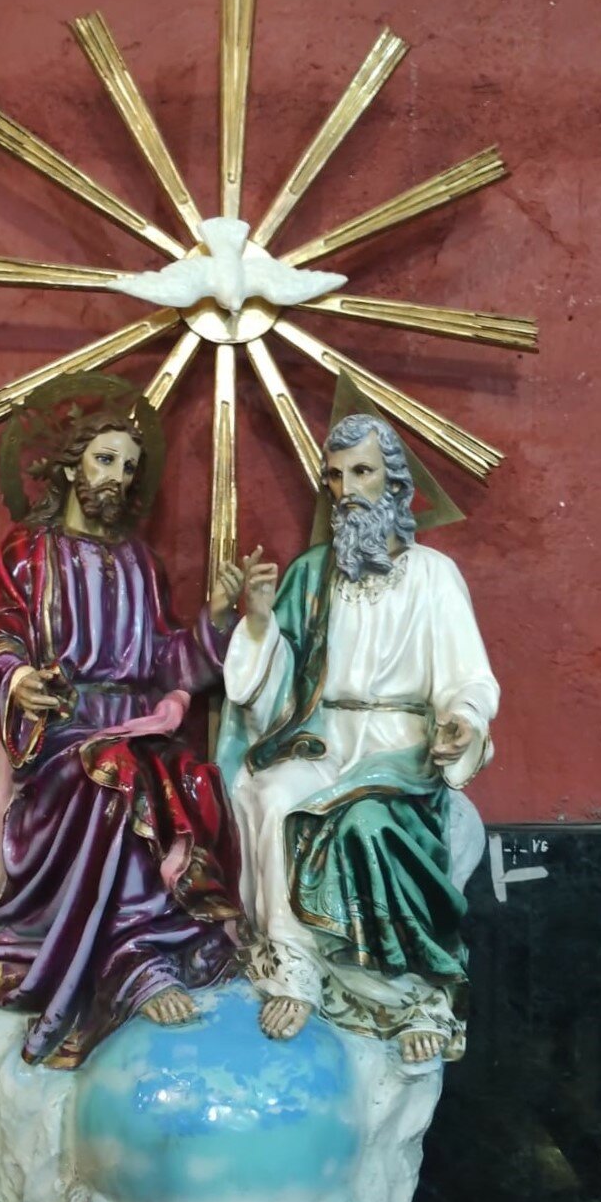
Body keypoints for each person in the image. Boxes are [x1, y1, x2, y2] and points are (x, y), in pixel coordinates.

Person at [0, 394, 247, 1068]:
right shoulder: (27, 552)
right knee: (114, 774)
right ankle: (128, 958)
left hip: (135, 725)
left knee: (190, 779)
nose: (117, 476)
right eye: (105, 459)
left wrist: (218, 617)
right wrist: (19, 679)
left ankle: (161, 940)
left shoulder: (141, 562)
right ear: (70, 468)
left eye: (129, 466)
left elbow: (167, 662)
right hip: (58, 732)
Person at [217, 413, 499, 1062]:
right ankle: (294, 968)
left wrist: (462, 719)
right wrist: (258, 624)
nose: (347, 490)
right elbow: (273, 697)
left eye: (362, 472)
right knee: (273, 794)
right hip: (321, 737)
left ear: (394, 483)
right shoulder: (312, 574)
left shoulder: (433, 575)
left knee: (366, 821)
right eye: (336, 476)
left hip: (400, 746)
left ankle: (410, 993)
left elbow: (469, 678)